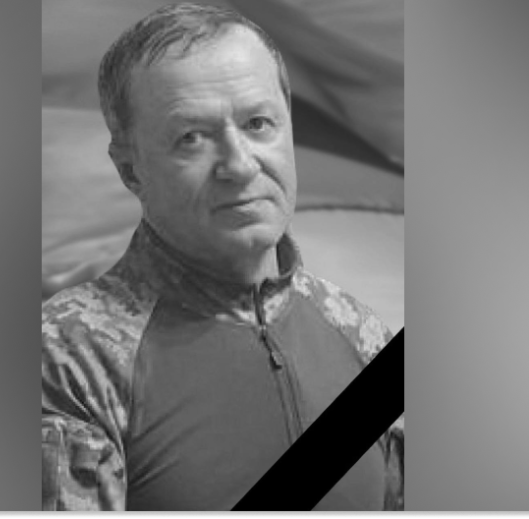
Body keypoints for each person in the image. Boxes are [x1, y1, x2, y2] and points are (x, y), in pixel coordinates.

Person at [42, 2, 403, 511]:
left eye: (258, 123)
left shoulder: (362, 334)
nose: (239, 164)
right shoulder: (69, 357)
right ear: (130, 169)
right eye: (191, 138)